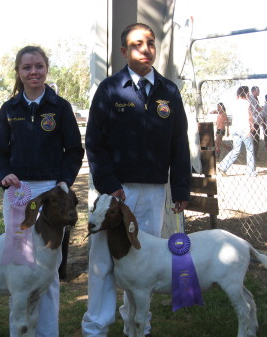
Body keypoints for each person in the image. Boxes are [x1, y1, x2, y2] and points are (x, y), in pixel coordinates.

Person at [82, 23, 191, 337]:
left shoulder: (169, 91)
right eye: (137, 44)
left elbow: (178, 144)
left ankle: (137, 324)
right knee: (103, 260)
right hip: (116, 192)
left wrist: (180, 187)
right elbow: (95, 142)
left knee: (142, 260)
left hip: (153, 191)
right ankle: (96, 326)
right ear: (123, 52)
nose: (145, 49)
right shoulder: (110, 89)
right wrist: (108, 183)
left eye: (150, 43)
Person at [0, 45, 84, 337]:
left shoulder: (60, 107)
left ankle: (47, 332)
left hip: (52, 194)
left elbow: (74, 150)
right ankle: (19, 331)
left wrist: (63, 182)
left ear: (46, 69)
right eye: (27, 67)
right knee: (20, 264)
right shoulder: (9, 109)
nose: (34, 72)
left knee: (48, 269)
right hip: (19, 192)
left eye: (39, 66)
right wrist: (4, 175)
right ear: (18, 72)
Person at [218, 86, 257, 177]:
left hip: (236, 129)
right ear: (247, 93)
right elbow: (250, 116)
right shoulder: (247, 103)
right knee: (250, 149)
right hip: (244, 128)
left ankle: (223, 166)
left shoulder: (235, 103)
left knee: (236, 150)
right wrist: (251, 126)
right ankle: (250, 171)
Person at [248, 86, 263, 160]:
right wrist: (258, 109)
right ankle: (252, 156)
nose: (259, 92)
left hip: (256, 121)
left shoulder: (256, 98)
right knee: (253, 139)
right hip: (253, 122)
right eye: (258, 91)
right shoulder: (250, 98)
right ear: (254, 91)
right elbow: (251, 110)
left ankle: (255, 155)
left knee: (256, 139)